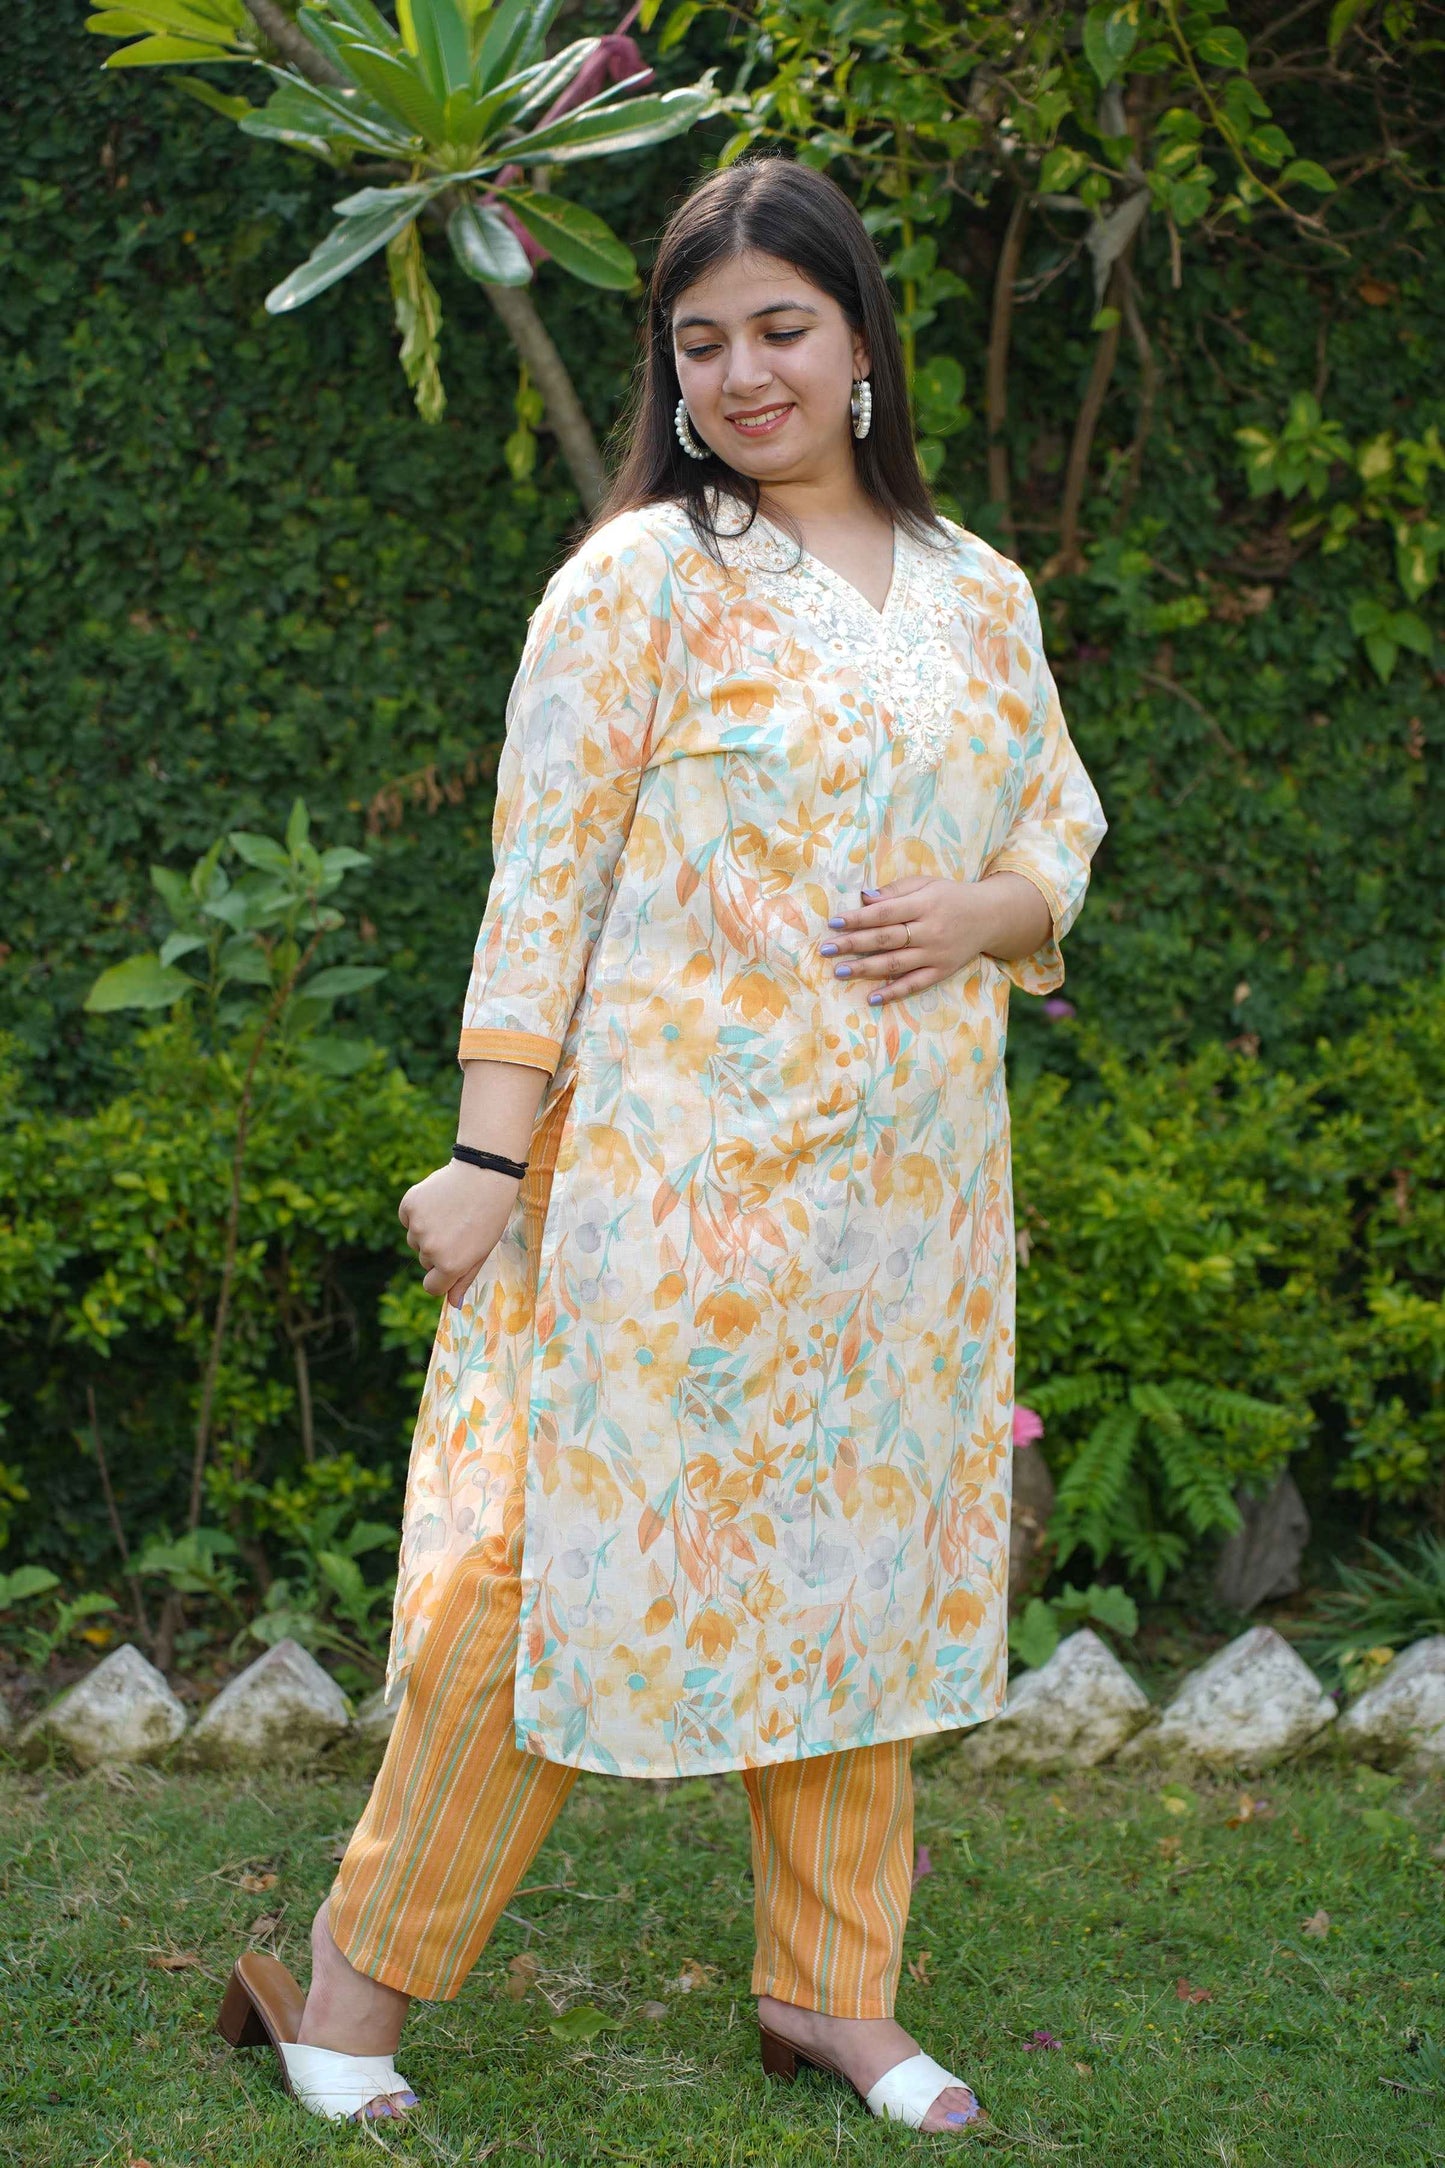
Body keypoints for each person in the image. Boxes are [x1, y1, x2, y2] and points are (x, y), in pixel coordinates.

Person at [216, 153, 1106, 2137]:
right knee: (544, 1573)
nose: (742, 374)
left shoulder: (979, 592)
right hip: (661, 1187)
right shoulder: (635, 584)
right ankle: (351, 1986)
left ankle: (831, 1994)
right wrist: (487, 1160)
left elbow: (1056, 821)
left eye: (781, 328)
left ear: (861, 342)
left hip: (905, 1207)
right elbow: (541, 887)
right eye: (700, 343)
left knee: (864, 1567)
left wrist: (996, 910)